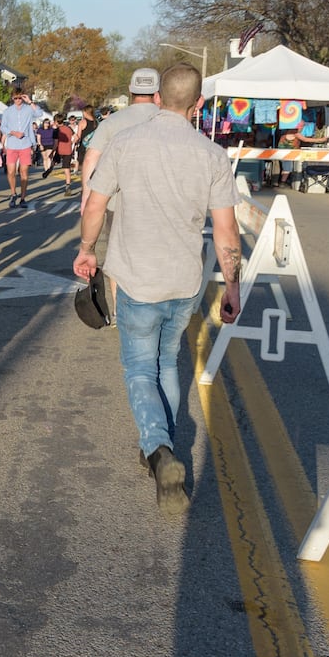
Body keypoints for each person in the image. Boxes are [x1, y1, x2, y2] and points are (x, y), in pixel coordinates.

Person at [73, 63, 242, 514]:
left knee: (139, 370)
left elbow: (94, 203)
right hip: (184, 282)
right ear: (198, 104)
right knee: (168, 363)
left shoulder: (126, 144)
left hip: (136, 278)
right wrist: (233, 287)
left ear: (158, 99)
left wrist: (87, 248)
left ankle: (158, 450)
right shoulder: (212, 155)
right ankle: (160, 444)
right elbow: (226, 233)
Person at [81, 69, 162, 316]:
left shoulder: (111, 123)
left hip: (118, 203)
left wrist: (87, 198)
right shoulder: (169, 120)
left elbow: (91, 160)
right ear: (157, 94)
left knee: (118, 261)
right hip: (159, 204)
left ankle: (120, 312)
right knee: (153, 259)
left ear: (130, 90)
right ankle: (152, 308)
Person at [0, 90, 42, 207]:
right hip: (12, 144)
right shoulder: (8, 111)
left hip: (25, 144)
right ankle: (13, 194)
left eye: (20, 98)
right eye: (15, 98)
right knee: (11, 171)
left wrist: (30, 101)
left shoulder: (28, 109)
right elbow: (3, 127)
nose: (18, 100)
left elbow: (39, 113)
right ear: (12, 98)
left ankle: (23, 197)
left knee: (23, 171)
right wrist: (13, 132)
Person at [53, 114, 77, 195]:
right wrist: (72, 143)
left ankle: (49, 170)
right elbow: (76, 137)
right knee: (67, 169)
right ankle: (68, 185)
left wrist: (52, 151)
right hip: (68, 150)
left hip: (59, 150)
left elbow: (56, 143)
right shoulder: (69, 128)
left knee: (54, 161)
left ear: (56, 122)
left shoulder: (56, 130)